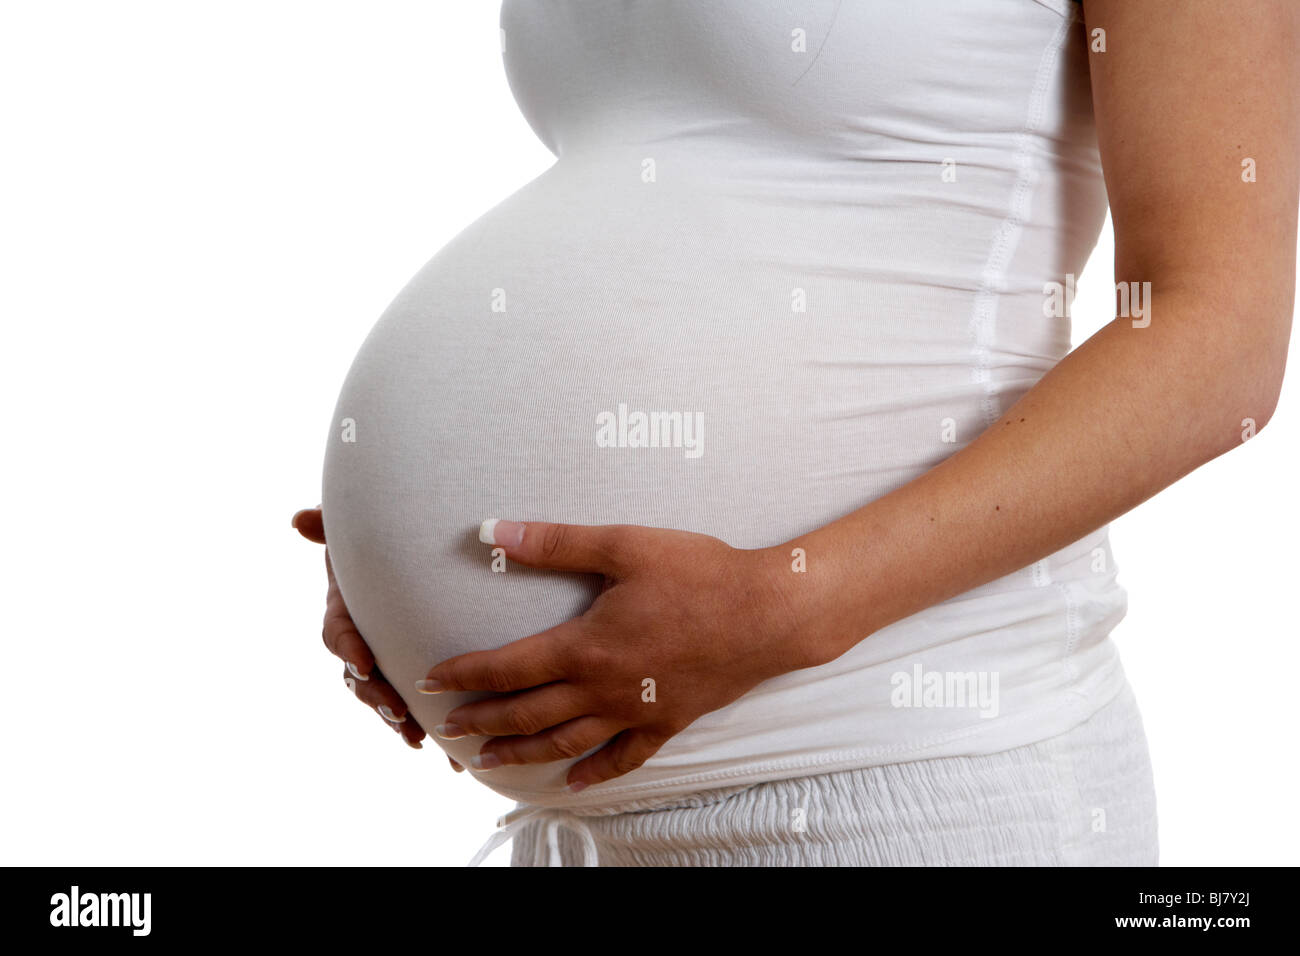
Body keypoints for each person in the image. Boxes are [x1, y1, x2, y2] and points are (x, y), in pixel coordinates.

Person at [294, 0, 1298, 865]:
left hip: (912, 781)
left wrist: (785, 604)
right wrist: (420, 543)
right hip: (585, 826)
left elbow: (1218, 339)